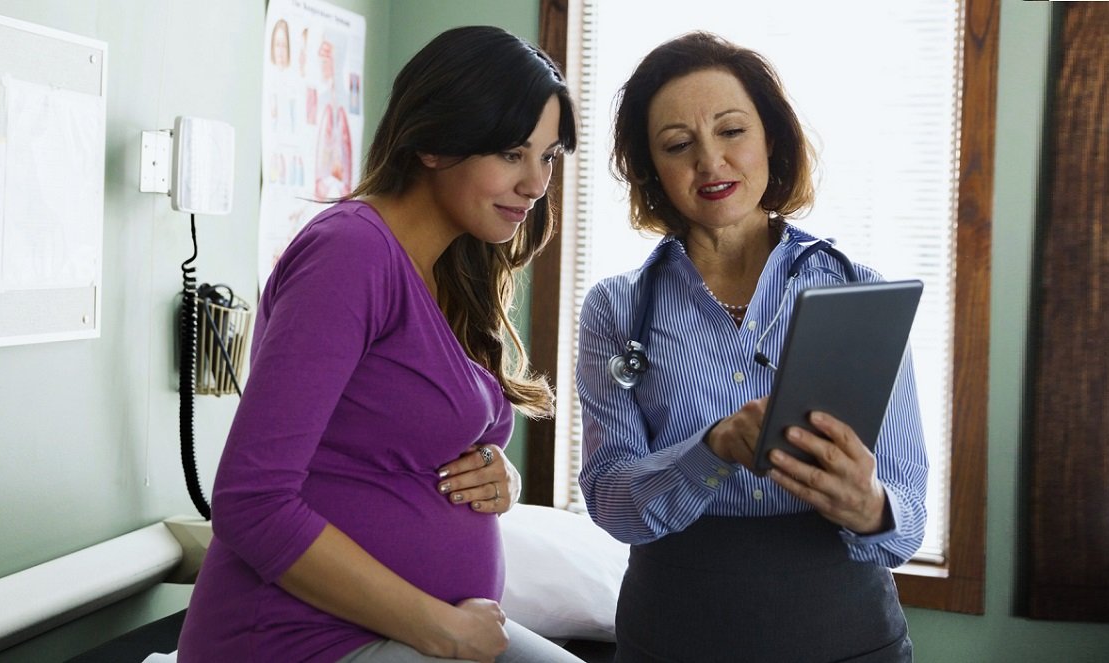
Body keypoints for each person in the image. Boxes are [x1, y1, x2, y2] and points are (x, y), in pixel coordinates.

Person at [179, 26, 583, 663]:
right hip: (298, 639)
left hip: (410, 630)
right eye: (512, 154)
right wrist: (439, 627)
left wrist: (495, 473)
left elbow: (394, 436)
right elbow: (250, 502)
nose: (536, 183)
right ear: (434, 143)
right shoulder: (351, 253)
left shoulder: (452, 268)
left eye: (549, 157)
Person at [575, 31, 928, 662]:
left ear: (772, 140)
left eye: (732, 131)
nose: (710, 161)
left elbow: (908, 520)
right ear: (651, 170)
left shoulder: (859, 293)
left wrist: (871, 505)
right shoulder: (616, 308)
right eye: (678, 145)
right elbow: (610, 502)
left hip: (845, 632)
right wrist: (709, 451)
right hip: (673, 632)